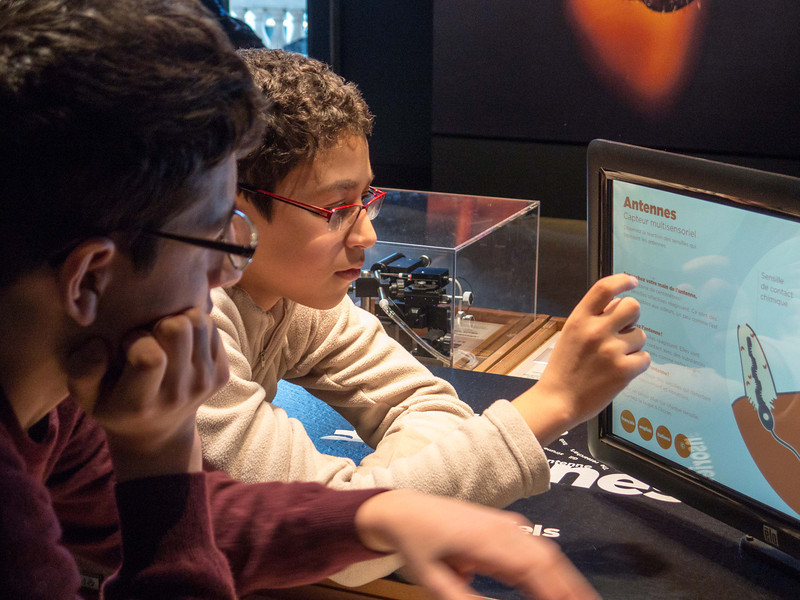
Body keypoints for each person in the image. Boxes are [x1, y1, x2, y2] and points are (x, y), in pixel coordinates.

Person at [0, 1, 608, 599]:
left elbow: (196, 520)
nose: (224, 272)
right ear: (87, 280)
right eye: (215, 232)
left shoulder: (59, 409)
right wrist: (158, 448)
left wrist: (374, 517)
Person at [200, 49, 650, 583]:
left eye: (366, 198)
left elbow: (427, 406)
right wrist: (554, 403)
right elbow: (333, 544)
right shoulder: (184, 326)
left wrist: (378, 500)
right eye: (337, 209)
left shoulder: (290, 295)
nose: (366, 233)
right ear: (231, 217)